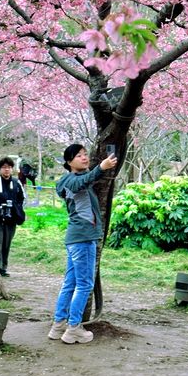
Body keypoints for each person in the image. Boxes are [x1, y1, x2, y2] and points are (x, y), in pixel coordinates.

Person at [48, 144, 117, 344]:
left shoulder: (73, 180)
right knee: (85, 284)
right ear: (69, 162)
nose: (84, 158)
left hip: (76, 238)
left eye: (85, 154)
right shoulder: (71, 180)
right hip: (83, 238)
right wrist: (100, 168)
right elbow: (84, 181)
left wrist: (100, 169)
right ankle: (74, 328)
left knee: (70, 284)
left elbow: (86, 180)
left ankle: (58, 324)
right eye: (79, 156)